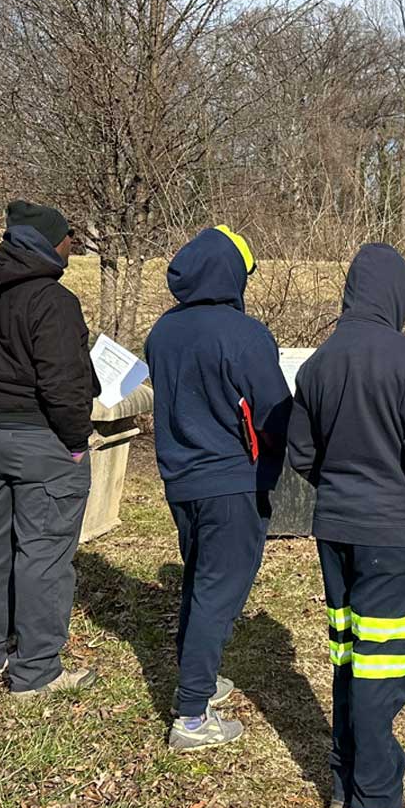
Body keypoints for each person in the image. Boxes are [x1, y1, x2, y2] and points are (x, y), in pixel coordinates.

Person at [286, 243, 405, 808]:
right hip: (392, 536)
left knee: (349, 658)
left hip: (333, 532)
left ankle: (344, 781)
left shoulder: (316, 365)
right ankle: (377, 804)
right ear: (397, 296)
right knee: (382, 670)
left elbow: (300, 453)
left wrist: (338, 488)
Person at [146, 225, 289, 751]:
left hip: (179, 477)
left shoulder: (162, 332)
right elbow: (274, 413)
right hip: (232, 479)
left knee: (199, 579)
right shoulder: (243, 333)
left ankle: (199, 676)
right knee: (218, 590)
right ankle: (191, 714)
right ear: (230, 272)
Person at [0, 201, 97, 697]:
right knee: (44, 555)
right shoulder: (51, 300)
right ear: (48, 243)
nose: (71, 248)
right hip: (42, 439)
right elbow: (63, 385)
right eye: (67, 239)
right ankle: (37, 669)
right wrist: (76, 441)